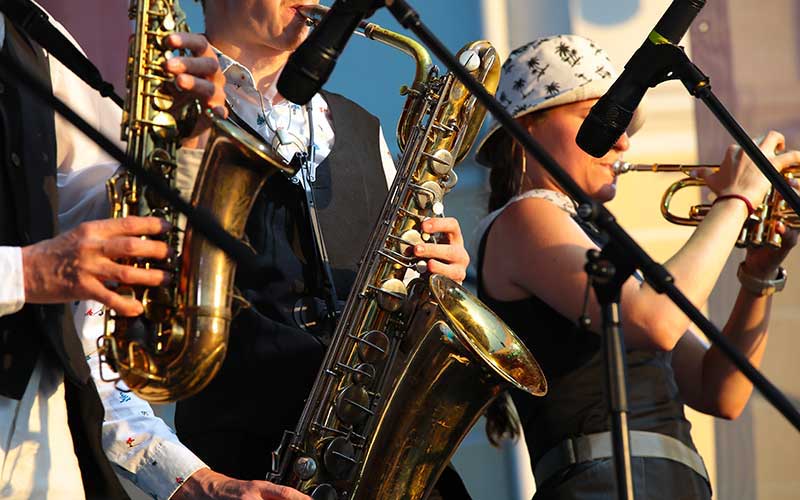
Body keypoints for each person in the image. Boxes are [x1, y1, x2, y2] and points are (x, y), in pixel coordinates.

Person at [72, 0, 471, 499]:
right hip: (251, 478)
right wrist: (201, 485)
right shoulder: (160, 135)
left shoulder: (364, 127)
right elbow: (95, 360)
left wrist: (434, 288)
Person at [473, 35, 799, 499]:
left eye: (624, 123)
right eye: (596, 117)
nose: (622, 140)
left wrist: (759, 276)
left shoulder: (594, 237)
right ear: (526, 128)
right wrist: (736, 199)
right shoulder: (525, 217)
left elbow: (719, 391)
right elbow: (657, 323)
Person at [0, 2, 229, 498]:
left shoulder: (31, 30)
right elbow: (41, 263)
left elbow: (107, 205)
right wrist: (23, 273)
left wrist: (187, 141)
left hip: (41, 427)